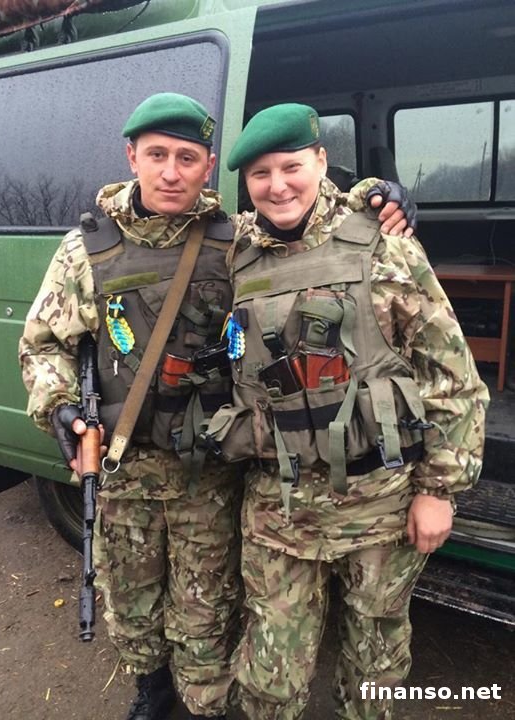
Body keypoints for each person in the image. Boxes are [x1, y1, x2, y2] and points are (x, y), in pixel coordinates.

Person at [18, 93, 417, 720]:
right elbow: (44, 345)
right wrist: (60, 405)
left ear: (208, 167)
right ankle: (152, 688)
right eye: (157, 155)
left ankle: (203, 702)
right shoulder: (84, 250)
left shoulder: (237, 241)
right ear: (132, 158)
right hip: (123, 465)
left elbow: (306, 225)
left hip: (208, 468)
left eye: (187, 158)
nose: (170, 172)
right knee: (130, 594)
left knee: (207, 598)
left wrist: (377, 196)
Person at [206, 103, 489, 720]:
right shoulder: (235, 254)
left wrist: (438, 491)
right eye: (260, 174)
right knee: (270, 674)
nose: (278, 186)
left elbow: (452, 377)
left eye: (291, 167)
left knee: (375, 664)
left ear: (321, 161)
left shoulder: (384, 245)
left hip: (379, 505)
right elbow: (165, 218)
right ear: (245, 183)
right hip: (279, 509)